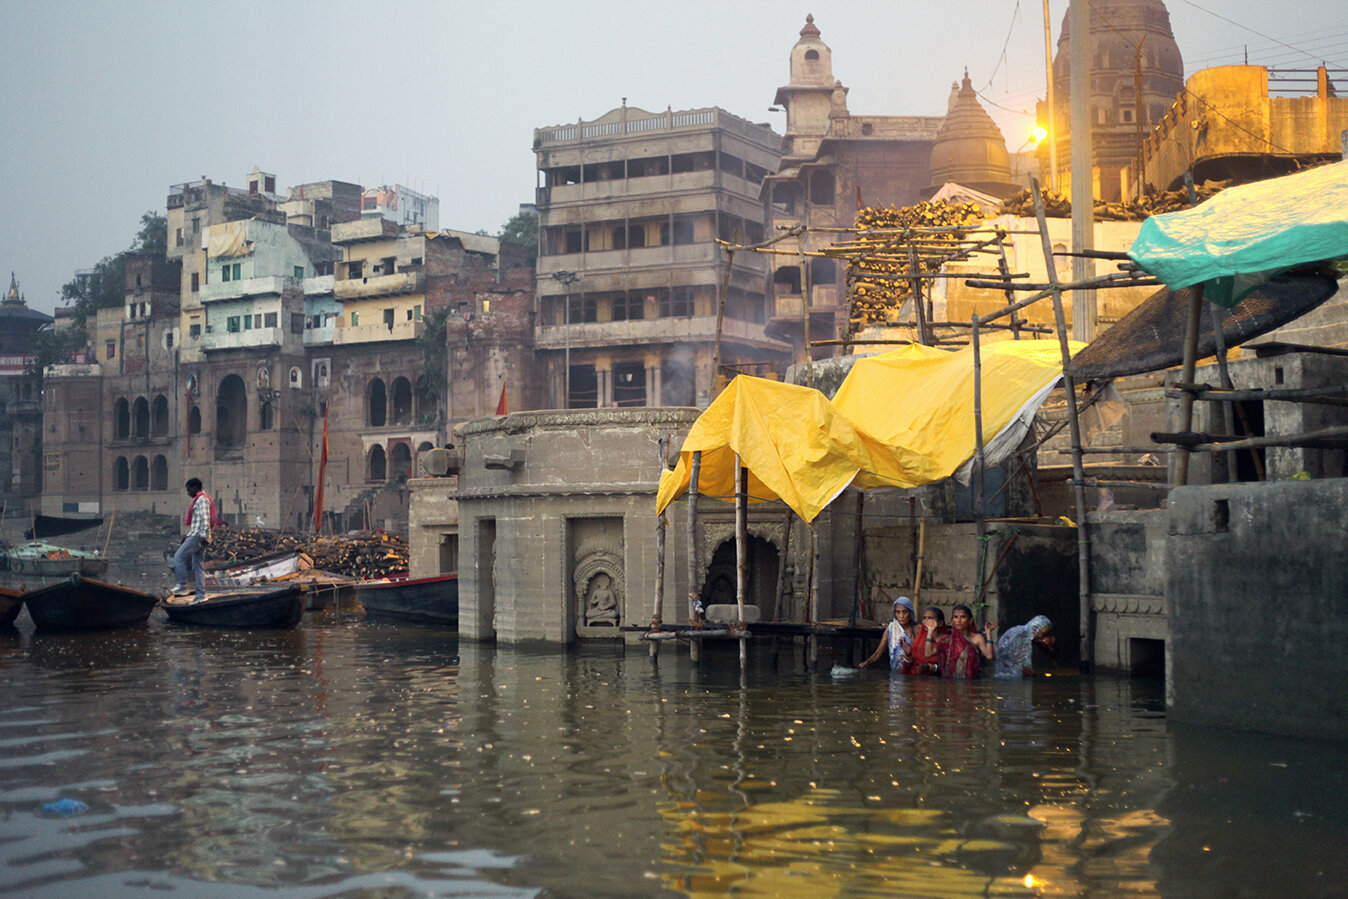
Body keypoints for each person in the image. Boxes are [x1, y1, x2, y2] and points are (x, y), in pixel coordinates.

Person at [171, 478, 216, 601]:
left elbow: (205, 520)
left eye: (189, 490)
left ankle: (182, 585)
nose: (188, 493)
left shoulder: (201, 500)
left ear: (195, 488)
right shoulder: (201, 499)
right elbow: (197, 522)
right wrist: (188, 535)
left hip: (198, 536)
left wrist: (203, 536)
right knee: (198, 566)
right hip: (197, 534)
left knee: (179, 557)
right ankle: (201, 596)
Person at [860, 596, 917, 671]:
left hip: (912, 673)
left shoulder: (916, 630)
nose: (901, 616)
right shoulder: (891, 629)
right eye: (898, 612)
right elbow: (878, 652)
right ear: (895, 614)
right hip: (896, 674)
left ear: (910, 613)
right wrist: (866, 662)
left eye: (904, 612)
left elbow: (920, 655)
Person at [941, 604, 997, 678]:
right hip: (952, 681)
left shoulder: (977, 638)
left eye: (963, 617)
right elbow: (929, 654)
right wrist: (930, 632)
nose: (959, 620)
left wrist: (988, 632)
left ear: (970, 620)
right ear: (952, 620)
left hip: (972, 681)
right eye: (956, 617)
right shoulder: (948, 640)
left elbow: (989, 656)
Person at [909, 607, 949, 676]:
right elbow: (912, 663)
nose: (926, 621)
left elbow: (928, 654)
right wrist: (907, 655)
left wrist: (931, 667)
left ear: (940, 623)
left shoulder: (946, 640)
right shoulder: (919, 640)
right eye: (924, 618)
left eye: (930, 618)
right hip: (917, 680)